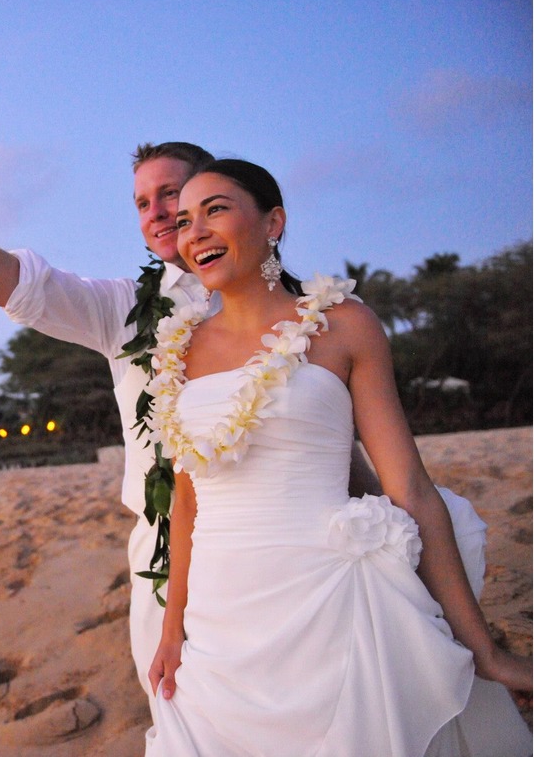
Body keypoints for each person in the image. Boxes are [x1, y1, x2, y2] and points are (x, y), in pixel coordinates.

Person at [0, 141, 437, 728]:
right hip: (172, 547)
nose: (161, 213)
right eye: (143, 203)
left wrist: (374, 526)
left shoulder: (310, 313)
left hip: (307, 547)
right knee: (191, 712)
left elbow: (330, 432)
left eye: (175, 194)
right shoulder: (123, 311)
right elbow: (19, 283)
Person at [143, 158, 531, 756]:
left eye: (216, 209)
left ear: (274, 222)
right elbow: (189, 503)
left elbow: (410, 487)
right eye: (186, 218)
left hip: (333, 603)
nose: (194, 231)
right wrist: (172, 632)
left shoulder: (344, 326)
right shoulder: (177, 349)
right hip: (221, 626)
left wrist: (481, 648)